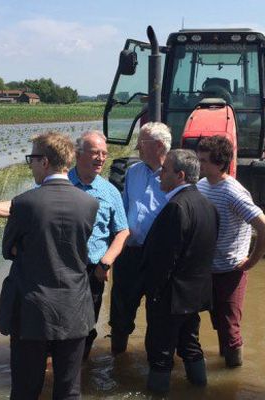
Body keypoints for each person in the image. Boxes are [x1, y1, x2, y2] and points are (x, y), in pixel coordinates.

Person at [0, 130, 130, 359]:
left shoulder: (110, 191)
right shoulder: (57, 183)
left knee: (84, 328)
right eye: (95, 153)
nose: (101, 158)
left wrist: (106, 262)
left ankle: (77, 369)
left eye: (104, 153)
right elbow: (23, 205)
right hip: (55, 267)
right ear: (77, 155)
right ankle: (50, 370)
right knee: (48, 326)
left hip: (90, 271)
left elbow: (122, 230)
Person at [0, 131, 98, 399]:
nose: (29, 164)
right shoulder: (89, 203)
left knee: (25, 389)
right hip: (75, 309)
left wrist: (27, 249)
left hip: (32, 310)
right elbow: (74, 248)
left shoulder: (24, 203)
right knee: (69, 390)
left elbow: (8, 249)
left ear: (44, 161)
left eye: (31, 158)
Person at [141, 149, 219, 393]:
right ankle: (200, 388)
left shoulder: (177, 207)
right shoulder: (208, 205)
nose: (159, 175)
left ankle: (157, 394)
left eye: (164, 170)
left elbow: (165, 259)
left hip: (170, 297)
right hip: (194, 296)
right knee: (190, 345)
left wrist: (153, 292)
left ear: (180, 175)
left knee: (160, 352)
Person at [196, 136, 265, 368]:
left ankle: (232, 380)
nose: (199, 165)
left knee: (230, 328)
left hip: (231, 271)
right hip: (207, 271)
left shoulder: (233, 192)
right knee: (217, 323)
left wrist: (251, 262)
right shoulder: (201, 186)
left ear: (219, 163)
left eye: (203, 160)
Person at [109, 121, 170, 354]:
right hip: (130, 254)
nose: (137, 147)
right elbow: (123, 210)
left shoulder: (175, 173)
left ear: (158, 146)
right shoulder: (133, 172)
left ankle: (157, 364)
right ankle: (117, 359)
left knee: (159, 315)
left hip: (159, 258)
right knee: (120, 313)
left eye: (141, 143)